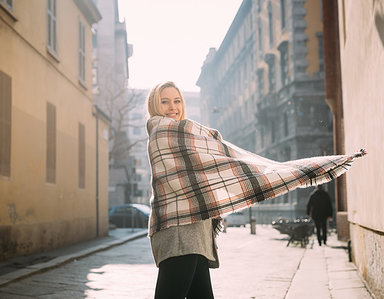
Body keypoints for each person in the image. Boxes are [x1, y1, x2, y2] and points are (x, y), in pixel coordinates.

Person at [145, 81, 366, 299]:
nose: (172, 107)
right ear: (155, 106)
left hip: (196, 227)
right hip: (178, 228)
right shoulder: (162, 133)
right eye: (165, 102)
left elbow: (207, 165)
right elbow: (196, 167)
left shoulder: (184, 135)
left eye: (177, 101)